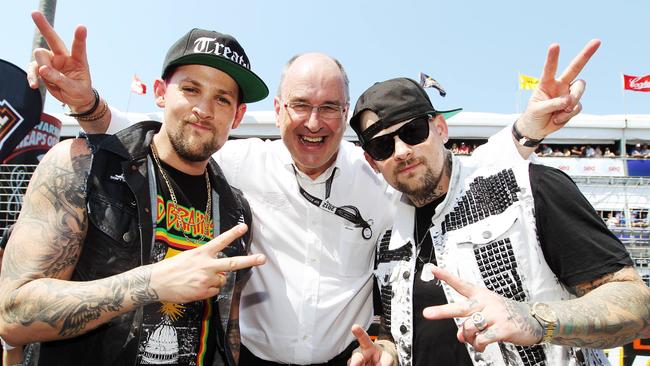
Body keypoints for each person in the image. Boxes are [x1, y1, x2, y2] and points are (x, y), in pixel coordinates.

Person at [24, 13, 599, 364]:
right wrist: (88, 105)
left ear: (345, 114)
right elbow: (164, 134)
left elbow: (450, 172)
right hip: (250, 361)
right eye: (300, 105)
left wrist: (527, 131)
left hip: (346, 363)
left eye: (330, 108)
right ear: (276, 111)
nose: (314, 122)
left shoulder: (378, 174)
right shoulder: (240, 163)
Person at [0, 11, 268, 366]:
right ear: (160, 93)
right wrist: (151, 282)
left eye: (222, 99)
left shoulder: (235, 209)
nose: (204, 109)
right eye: (190, 89)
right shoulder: (82, 166)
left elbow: (227, 326)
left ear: (236, 116)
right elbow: (13, 313)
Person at [347, 75, 650, 365]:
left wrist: (534, 319)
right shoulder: (385, 233)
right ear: (373, 162)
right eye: (382, 146)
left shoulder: (529, 188)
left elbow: (637, 305)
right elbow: (394, 324)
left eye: (413, 132)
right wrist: (386, 350)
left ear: (440, 128)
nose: (401, 151)